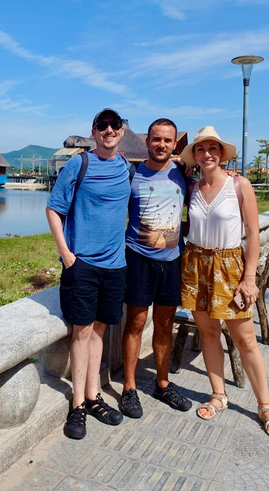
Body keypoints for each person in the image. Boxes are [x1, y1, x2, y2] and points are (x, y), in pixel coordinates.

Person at [179, 126, 269, 439]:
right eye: (201, 149)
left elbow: (253, 232)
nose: (208, 154)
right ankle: (218, 394)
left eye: (214, 149)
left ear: (222, 154)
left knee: (245, 340)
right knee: (209, 332)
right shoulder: (192, 188)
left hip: (230, 267)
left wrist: (249, 278)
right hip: (197, 265)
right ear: (195, 157)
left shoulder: (240, 185)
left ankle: (265, 405)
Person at [46, 108, 130, 439]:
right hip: (82, 265)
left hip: (115, 265)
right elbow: (53, 208)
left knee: (98, 332)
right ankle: (78, 404)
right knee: (81, 333)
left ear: (122, 131)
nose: (109, 130)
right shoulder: (77, 165)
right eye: (102, 125)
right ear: (94, 132)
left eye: (114, 125)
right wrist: (67, 255)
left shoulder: (125, 167)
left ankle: (94, 397)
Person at [119, 118, 192, 418]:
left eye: (167, 140)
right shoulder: (132, 174)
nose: (161, 144)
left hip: (172, 262)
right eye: (156, 139)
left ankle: (163, 383)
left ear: (175, 144)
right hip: (138, 259)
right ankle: (129, 388)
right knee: (135, 324)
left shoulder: (184, 174)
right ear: (147, 141)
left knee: (164, 325)